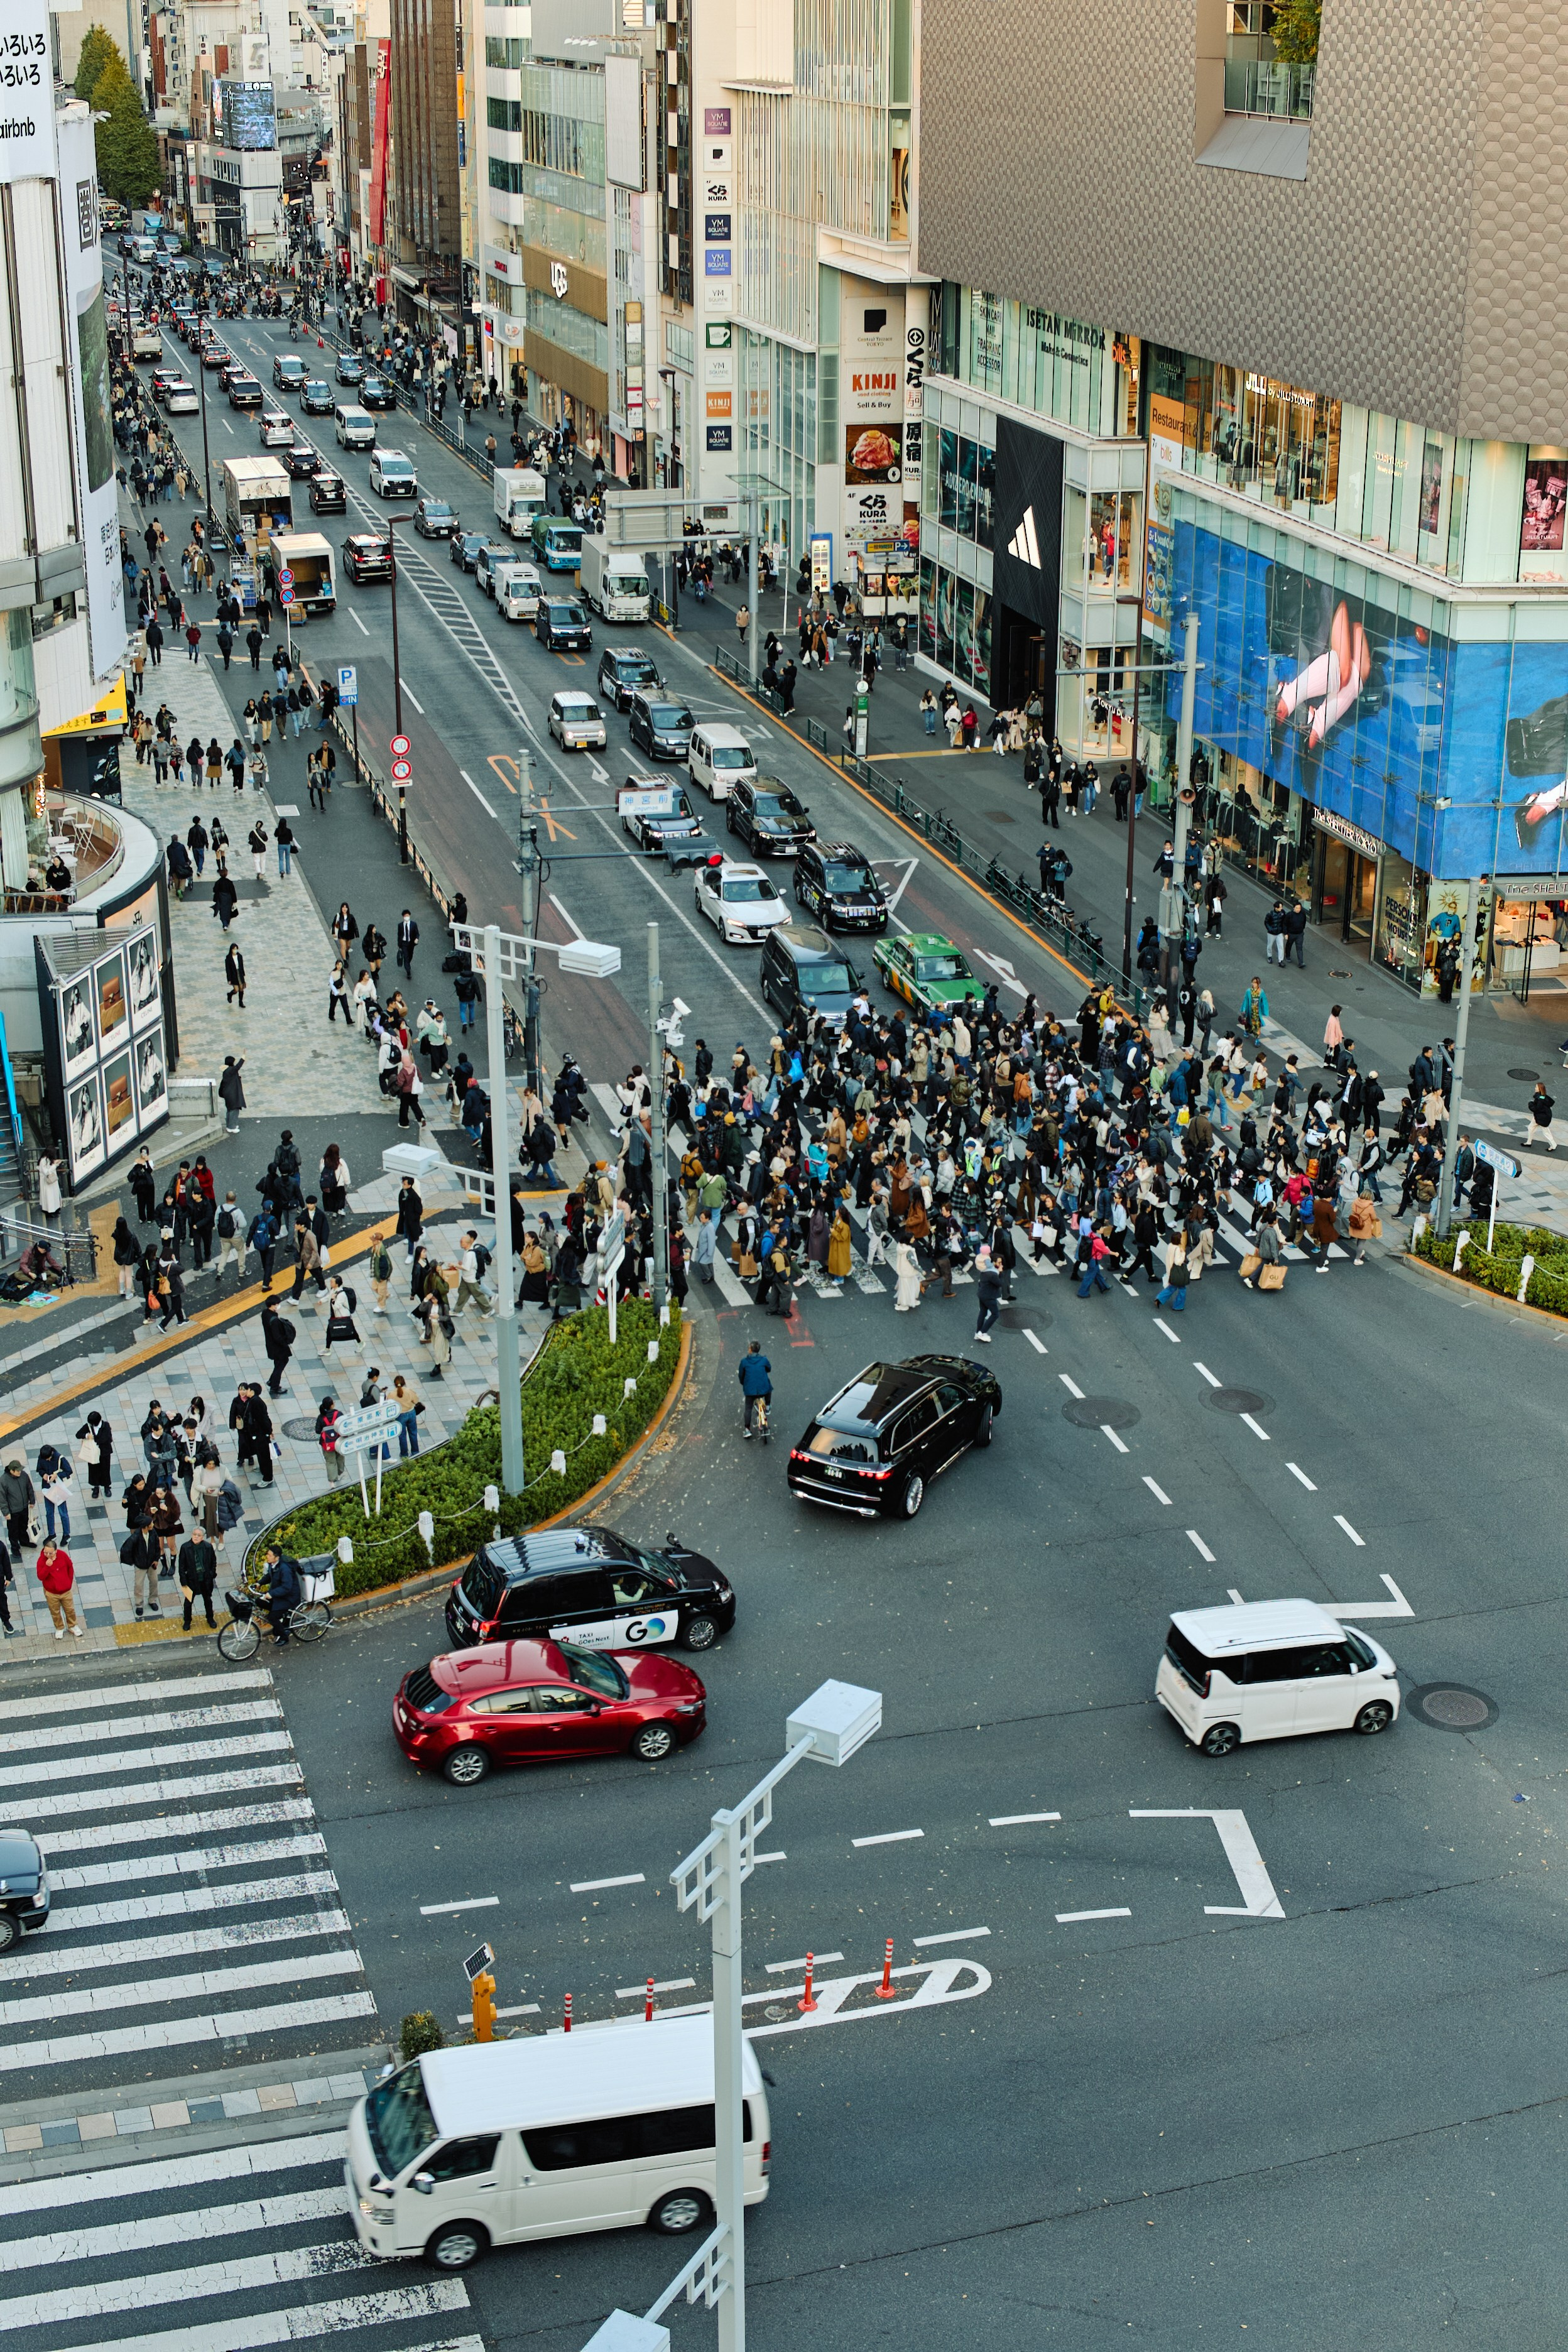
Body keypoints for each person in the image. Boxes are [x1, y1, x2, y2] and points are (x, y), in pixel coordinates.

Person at [36, 1538, 83, 1638]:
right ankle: (59, 1628)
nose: (48, 1555)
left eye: (50, 1553)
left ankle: (73, 1626)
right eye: (46, 1553)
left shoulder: (63, 1555)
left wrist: (69, 1582)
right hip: (51, 1592)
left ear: (56, 1551)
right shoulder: (42, 1560)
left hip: (65, 1591)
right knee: (55, 1611)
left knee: (70, 1610)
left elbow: (70, 1567)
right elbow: (41, 1577)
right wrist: (47, 1567)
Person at [262, 1544, 302, 1645]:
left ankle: (284, 1637)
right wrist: (259, 1583)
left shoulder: (285, 1569)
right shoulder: (273, 1565)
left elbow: (286, 1588)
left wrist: (272, 1594)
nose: (267, 1557)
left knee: (272, 1618)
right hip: (280, 1595)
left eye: (270, 1555)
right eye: (268, 1554)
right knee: (259, 1602)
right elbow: (269, 1576)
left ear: (277, 1558)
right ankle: (282, 1620)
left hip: (289, 1597)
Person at [177, 1530, 218, 1628]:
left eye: (199, 1535)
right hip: (190, 1580)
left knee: (208, 1600)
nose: (196, 1537)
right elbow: (181, 1567)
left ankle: (210, 1618)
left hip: (205, 1580)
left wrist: (211, 1574)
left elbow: (213, 1561)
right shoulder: (185, 1547)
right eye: (194, 1535)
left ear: (203, 1537)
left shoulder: (208, 1547)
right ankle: (187, 1620)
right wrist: (184, 1582)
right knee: (188, 1602)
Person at [738, 1338, 772, 1436]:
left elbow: (741, 1376)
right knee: (768, 1385)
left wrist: (744, 1383)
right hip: (764, 1389)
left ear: (750, 1350)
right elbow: (769, 1369)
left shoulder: (744, 1362)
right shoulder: (764, 1360)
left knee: (748, 1408)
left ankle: (747, 1430)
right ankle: (768, 1406)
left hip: (750, 1390)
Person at [972, 1244, 1003, 1343]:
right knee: (995, 1314)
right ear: (993, 1263)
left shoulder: (985, 1271)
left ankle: (978, 1332)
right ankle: (982, 1332)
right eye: (999, 1263)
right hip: (989, 1296)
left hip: (982, 1294)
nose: (1000, 1264)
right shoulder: (993, 1274)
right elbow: (1000, 1284)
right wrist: (1000, 1272)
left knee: (983, 1312)